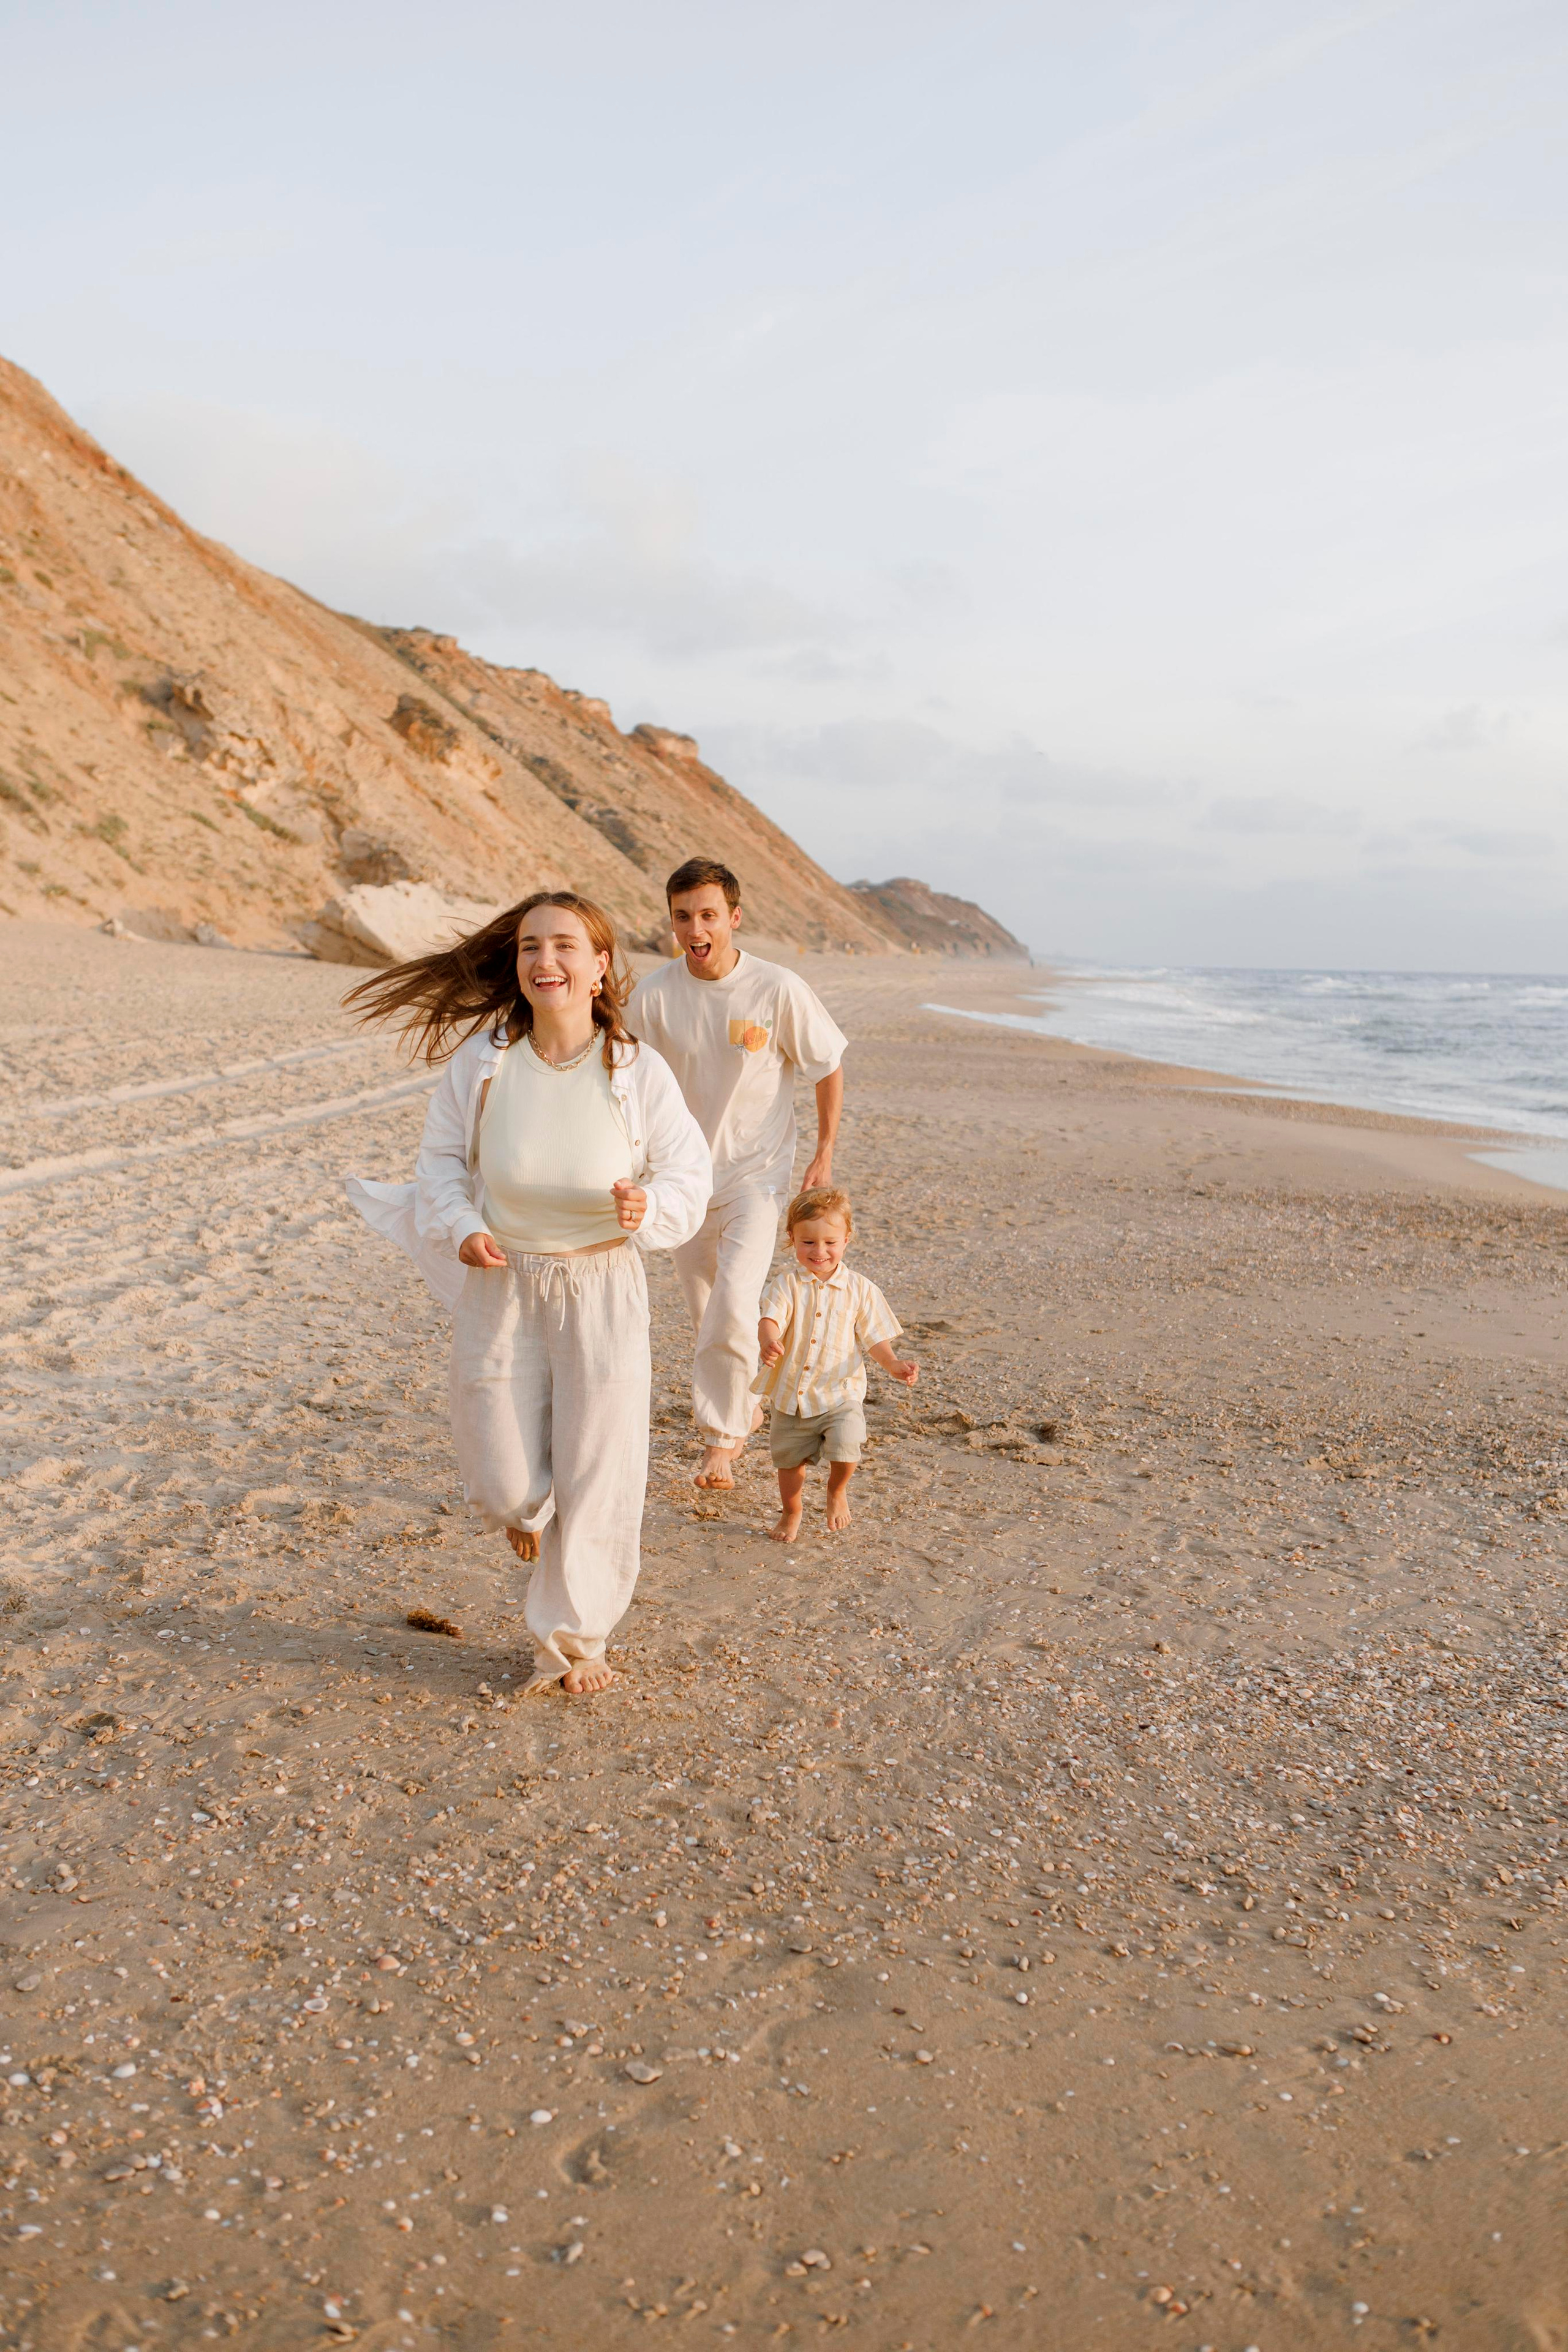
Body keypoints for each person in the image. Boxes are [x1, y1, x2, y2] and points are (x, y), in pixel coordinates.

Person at [343, 891, 710, 1696]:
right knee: (503, 1479)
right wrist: (461, 1219)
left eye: (566, 946)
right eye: (530, 947)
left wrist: (649, 1208)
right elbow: (439, 1162)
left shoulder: (637, 1069)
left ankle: (576, 1644)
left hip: (601, 1284)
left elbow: (689, 1172)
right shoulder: (483, 1062)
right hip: (502, 1279)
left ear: (601, 966)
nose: (545, 961)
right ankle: (531, 1516)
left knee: (599, 1468)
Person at [627, 858, 847, 1488]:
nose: (695, 928)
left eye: (708, 915)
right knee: (706, 1311)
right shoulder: (656, 995)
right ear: (671, 921)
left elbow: (826, 1063)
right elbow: (625, 1078)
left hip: (757, 1174)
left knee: (731, 1301)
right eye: (682, 917)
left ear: (734, 918)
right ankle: (748, 1402)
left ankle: (722, 1442)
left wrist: (823, 1152)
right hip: (679, 1178)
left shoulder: (776, 988)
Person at [756, 1186, 918, 1542]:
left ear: (846, 1239)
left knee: (847, 1446)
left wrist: (892, 1365)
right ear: (792, 1240)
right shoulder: (786, 1285)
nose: (820, 1251)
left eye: (830, 1242)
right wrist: (769, 1341)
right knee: (790, 1463)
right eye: (808, 1242)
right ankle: (792, 1511)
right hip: (793, 1396)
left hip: (841, 1392)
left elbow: (875, 1337)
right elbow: (770, 1319)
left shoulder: (861, 1289)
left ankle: (836, 1489)